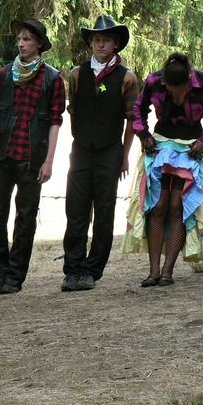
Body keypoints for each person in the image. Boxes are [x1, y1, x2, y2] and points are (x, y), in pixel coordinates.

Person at [0, 19, 65, 295]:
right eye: (19, 39)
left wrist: (49, 160)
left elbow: (55, 121)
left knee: (26, 218)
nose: (21, 43)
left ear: (39, 44)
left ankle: (15, 277)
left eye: (27, 39)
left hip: (32, 157)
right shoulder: (5, 74)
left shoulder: (52, 78)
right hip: (1, 154)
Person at [123, 52, 203, 287]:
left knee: (178, 207)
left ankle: (168, 271)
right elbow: (138, 110)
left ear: (188, 82)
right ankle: (153, 271)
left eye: (179, 91)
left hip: (190, 150)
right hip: (160, 147)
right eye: (170, 90)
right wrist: (144, 135)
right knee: (157, 207)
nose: (175, 96)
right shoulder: (154, 81)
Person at [61, 15, 140, 292]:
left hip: (110, 151)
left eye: (106, 40)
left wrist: (124, 155)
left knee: (104, 212)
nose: (100, 44)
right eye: (96, 39)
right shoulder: (77, 74)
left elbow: (131, 120)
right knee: (76, 210)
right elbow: (73, 110)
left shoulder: (127, 78)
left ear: (116, 44)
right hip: (81, 150)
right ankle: (72, 269)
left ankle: (91, 271)